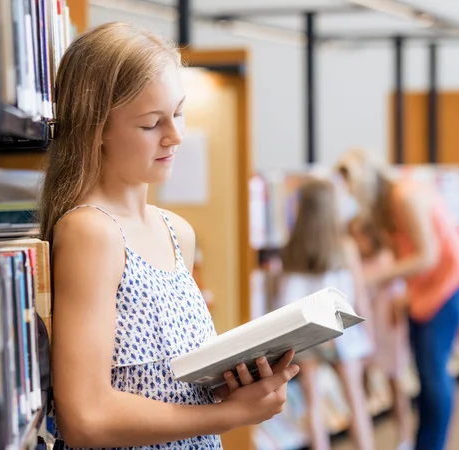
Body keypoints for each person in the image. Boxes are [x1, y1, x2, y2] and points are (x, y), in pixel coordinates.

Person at [38, 22, 299, 450]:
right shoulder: (91, 233)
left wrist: (233, 386)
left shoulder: (177, 232)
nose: (176, 136)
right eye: (150, 124)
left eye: (177, 113)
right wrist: (229, 415)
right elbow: (86, 416)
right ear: (96, 127)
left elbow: (167, 391)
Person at [336, 149, 459, 450]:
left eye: (354, 191)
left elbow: (426, 256)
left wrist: (371, 279)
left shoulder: (406, 197)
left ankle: (432, 444)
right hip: (423, 293)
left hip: (451, 286)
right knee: (425, 375)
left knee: (433, 373)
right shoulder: (387, 206)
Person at [275, 177, 375, 450]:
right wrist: (370, 337)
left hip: (307, 334)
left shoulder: (291, 250)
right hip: (343, 331)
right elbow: (360, 298)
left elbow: (285, 298)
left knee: (314, 404)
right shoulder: (345, 247)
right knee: (356, 401)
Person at [349, 217, 413, 450]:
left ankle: (405, 438)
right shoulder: (354, 262)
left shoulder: (386, 259)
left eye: (360, 237)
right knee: (360, 384)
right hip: (364, 329)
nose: (357, 243)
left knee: (395, 381)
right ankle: (366, 439)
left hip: (386, 328)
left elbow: (398, 294)